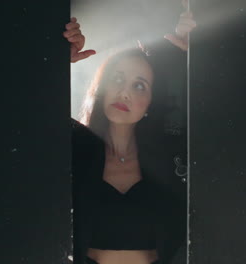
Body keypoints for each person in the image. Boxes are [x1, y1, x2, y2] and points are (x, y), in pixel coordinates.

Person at [65, 6, 196, 264]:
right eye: (116, 79)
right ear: (100, 87)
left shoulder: (172, 156)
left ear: (150, 101)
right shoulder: (72, 145)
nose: (124, 93)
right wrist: (55, 59)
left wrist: (194, 56)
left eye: (139, 85)